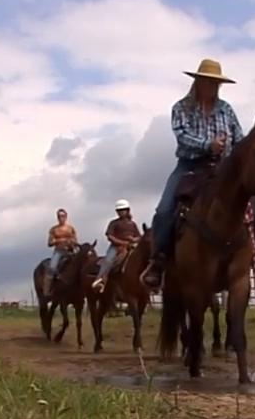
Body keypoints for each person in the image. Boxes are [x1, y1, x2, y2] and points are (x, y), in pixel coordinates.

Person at [141, 58, 243, 291]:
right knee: (164, 209)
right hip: (189, 166)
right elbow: (182, 136)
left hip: (222, 169)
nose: (212, 87)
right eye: (208, 82)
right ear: (197, 82)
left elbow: (239, 137)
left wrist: (238, 155)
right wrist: (209, 145)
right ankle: (157, 262)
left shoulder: (226, 109)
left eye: (216, 83)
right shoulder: (181, 108)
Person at [93, 199, 141, 292]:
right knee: (108, 260)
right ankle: (100, 280)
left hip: (131, 246)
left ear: (127, 210)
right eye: (119, 210)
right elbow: (110, 236)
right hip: (116, 247)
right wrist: (121, 242)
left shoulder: (132, 224)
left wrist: (133, 240)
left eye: (123, 210)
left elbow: (139, 237)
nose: (121, 212)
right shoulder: (114, 223)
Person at [43, 208, 78, 294]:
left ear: (66, 217)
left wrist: (71, 242)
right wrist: (59, 241)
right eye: (59, 216)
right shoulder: (54, 229)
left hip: (70, 251)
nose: (61, 218)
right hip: (59, 251)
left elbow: (76, 241)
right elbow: (49, 243)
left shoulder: (71, 229)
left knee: (80, 264)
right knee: (52, 268)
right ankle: (47, 290)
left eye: (63, 216)